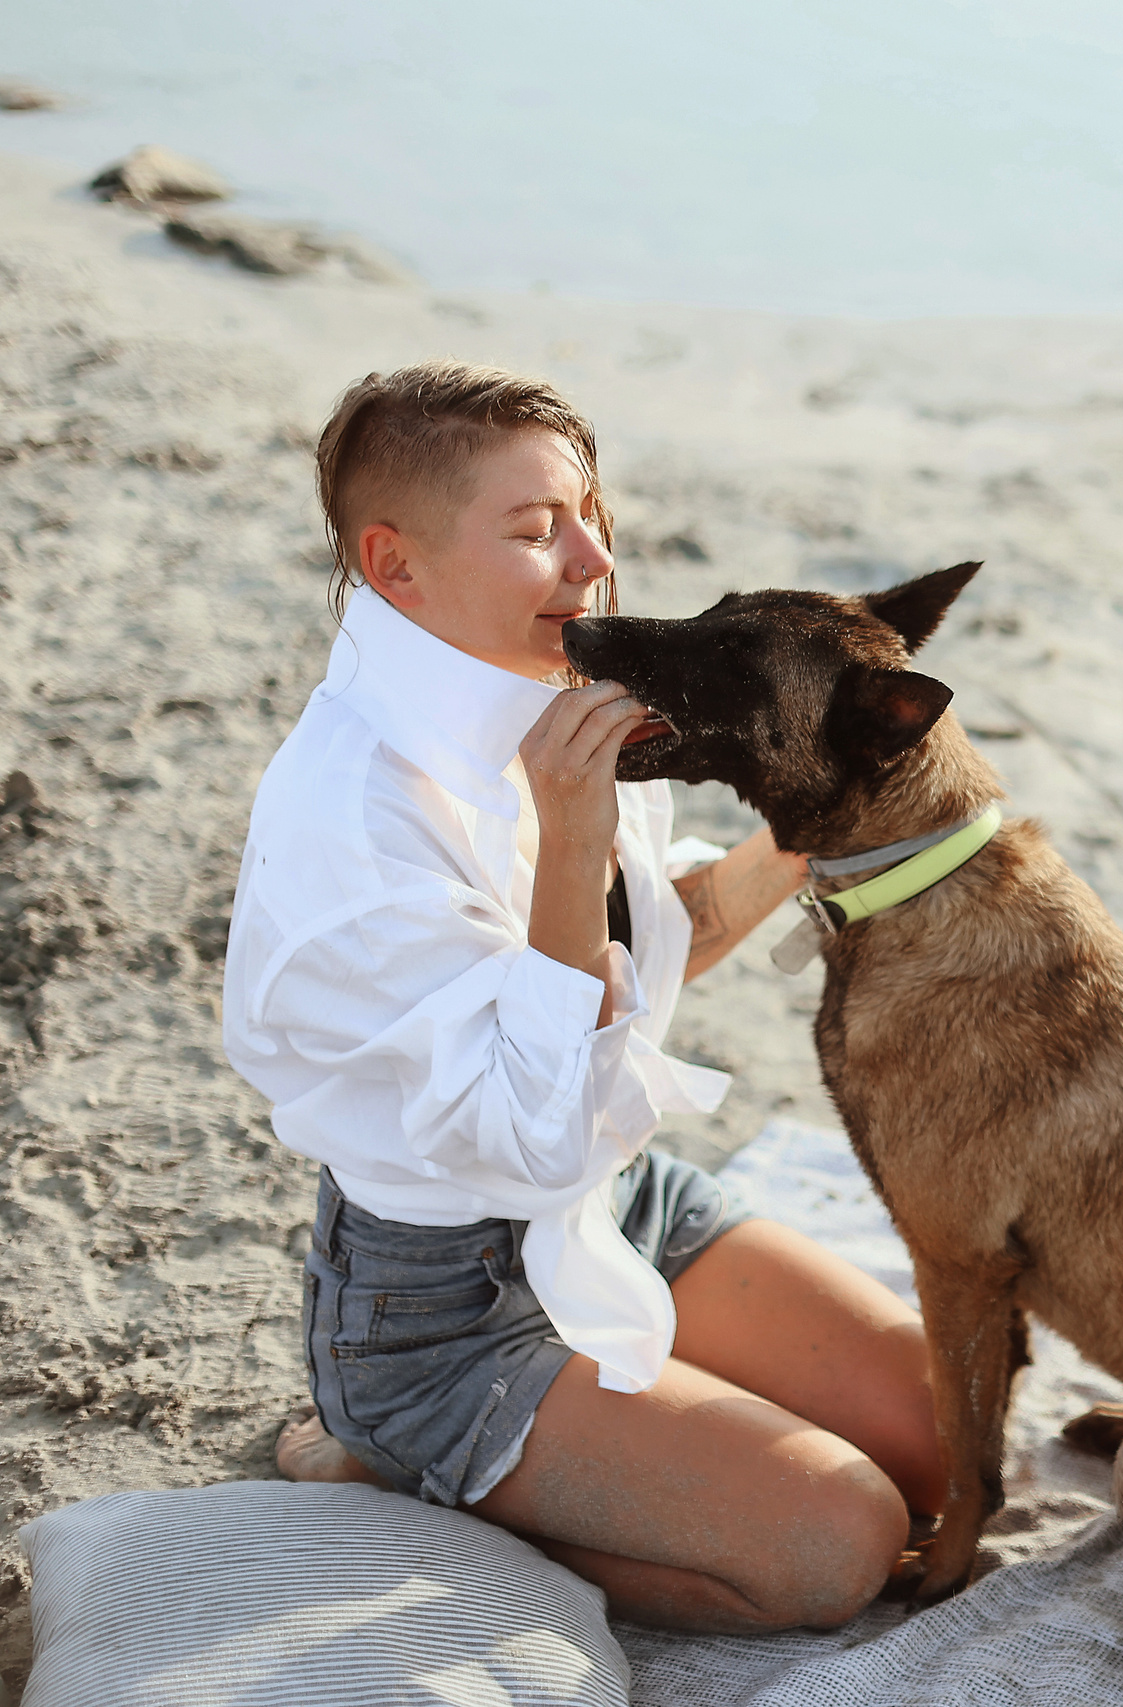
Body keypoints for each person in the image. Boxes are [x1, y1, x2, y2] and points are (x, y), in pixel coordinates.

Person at [223, 361, 939, 1633]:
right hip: (443, 1304)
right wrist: (567, 840)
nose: (594, 560)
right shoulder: (353, 821)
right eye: (536, 530)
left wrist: (826, 803)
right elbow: (529, 1131)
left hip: (617, 1204)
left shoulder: (554, 697)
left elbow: (671, 937)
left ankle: (632, 1431)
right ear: (395, 567)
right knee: (841, 1543)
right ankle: (396, 1460)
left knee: (948, 1436)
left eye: (591, 513)